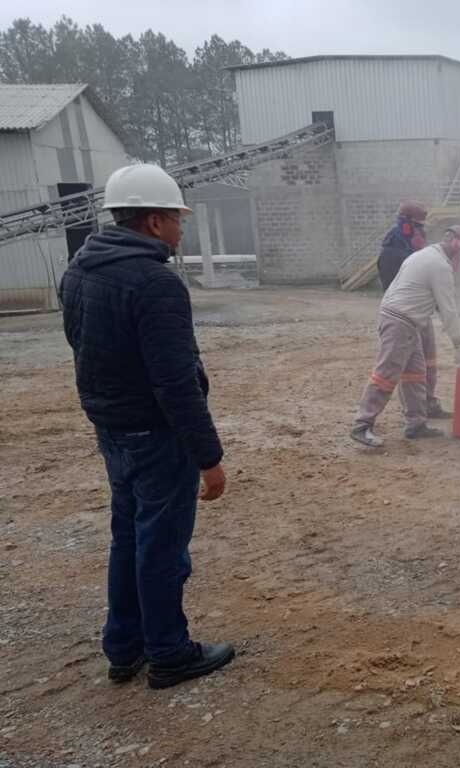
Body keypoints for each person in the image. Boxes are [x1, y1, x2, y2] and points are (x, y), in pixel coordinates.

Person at [59, 164, 235, 690]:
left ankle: (124, 647)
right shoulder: (156, 283)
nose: (183, 229)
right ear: (155, 222)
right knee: (161, 547)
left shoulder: (79, 270)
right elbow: (176, 382)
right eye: (178, 219)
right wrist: (209, 458)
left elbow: (80, 348)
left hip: (113, 429)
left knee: (128, 539)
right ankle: (169, 653)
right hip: (157, 437)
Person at [351, 225, 460, 448]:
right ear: (457, 245)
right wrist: (459, 346)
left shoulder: (423, 254)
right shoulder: (439, 265)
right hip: (400, 322)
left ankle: (416, 424)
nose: (459, 263)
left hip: (404, 319)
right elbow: (448, 309)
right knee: (386, 373)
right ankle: (362, 425)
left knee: (416, 374)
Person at [376, 201, 450, 419]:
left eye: (422, 226)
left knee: (429, 362)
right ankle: (414, 409)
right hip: (404, 316)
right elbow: (393, 289)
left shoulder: (416, 249)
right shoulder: (391, 252)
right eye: (418, 226)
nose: (421, 230)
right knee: (410, 368)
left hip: (422, 314)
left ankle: (429, 402)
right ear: (406, 224)